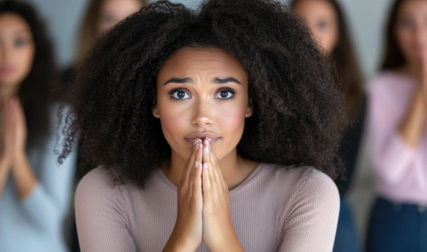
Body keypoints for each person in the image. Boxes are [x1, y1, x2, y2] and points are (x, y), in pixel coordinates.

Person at [62, 0, 343, 250]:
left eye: (224, 93)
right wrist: (183, 237)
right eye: (180, 94)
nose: (202, 116)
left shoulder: (308, 193)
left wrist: (222, 236)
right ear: (154, 104)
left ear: (250, 103)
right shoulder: (104, 192)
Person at [0, 1, 77, 251]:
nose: (7, 55)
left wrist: (16, 156)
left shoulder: (60, 118)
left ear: (35, 49)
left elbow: (50, 219)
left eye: (19, 42)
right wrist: (2, 158)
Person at [291, 1, 366, 251]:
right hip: (280, 203)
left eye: (322, 25)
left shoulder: (355, 94)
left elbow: (345, 176)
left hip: (334, 208)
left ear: (338, 35)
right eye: (300, 25)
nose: (310, 36)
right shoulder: (268, 86)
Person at [365, 0, 427, 251]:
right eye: (407, 23)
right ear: (394, 30)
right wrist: (422, 88)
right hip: (395, 218)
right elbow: (390, 170)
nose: (419, 34)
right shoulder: (380, 87)